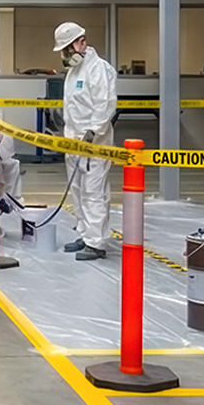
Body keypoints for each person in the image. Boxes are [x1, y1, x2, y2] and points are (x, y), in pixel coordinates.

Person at [53, 21, 117, 261]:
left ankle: (97, 242)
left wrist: (93, 131)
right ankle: (85, 234)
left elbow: (105, 103)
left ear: (81, 43)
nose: (65, 55)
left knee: (94, 192)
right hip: (73, 143)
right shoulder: (73, 72)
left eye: (67, 50)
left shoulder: (98, 69)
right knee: (78, 191)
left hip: (94, 145)